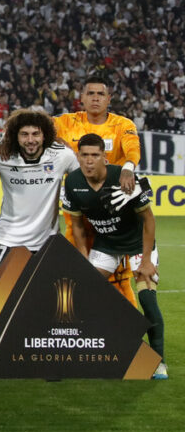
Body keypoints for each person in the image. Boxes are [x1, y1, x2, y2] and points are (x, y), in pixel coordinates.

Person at [62, 133, 167, 380]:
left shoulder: (123, 178)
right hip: (106, 245)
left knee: (148, 299)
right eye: (84, 155)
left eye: (94, 155)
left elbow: (149, 219)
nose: (89, 161)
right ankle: (107, 345)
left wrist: (147, 261)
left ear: (104, 158)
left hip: (138, 245)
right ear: (78, 157)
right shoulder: (73, 182)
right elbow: (76, 225)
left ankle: (158, 361)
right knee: (83, 292)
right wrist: (83, 259)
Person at [54, 73, 141, 304]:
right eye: (90, 93)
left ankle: (129, 334)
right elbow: (32, 128)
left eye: (100, 94)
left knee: (119, 281)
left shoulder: (122, 125)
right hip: (78, 213)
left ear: (109, 98)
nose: (95, 98)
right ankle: (80, 328)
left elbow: (132, 149)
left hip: (112, 217)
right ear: (81, 97)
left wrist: (129, 167)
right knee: (74, 275)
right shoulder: (64, 123)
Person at [0, 109, 78, 267]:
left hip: (48, 245)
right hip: (10, 242)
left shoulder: (63, 156)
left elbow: (86, 178)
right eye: (24, 134)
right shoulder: (2, 157)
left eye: (36, 134)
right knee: (3, 293)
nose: (30, 140)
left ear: (45, 136)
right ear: (15, 136)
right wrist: (1, 141)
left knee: (48, 292)